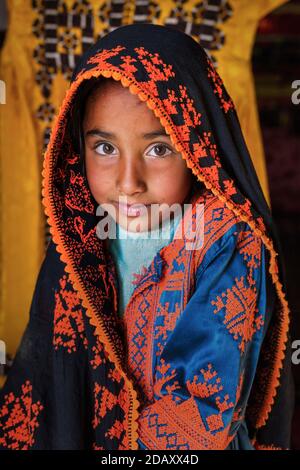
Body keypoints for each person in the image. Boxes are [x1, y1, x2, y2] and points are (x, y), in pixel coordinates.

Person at [0, 23, 294, 450]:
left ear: (199, 147)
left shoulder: (225, 241)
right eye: (104, 148)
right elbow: (47, 375)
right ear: (76, 146)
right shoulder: (80, 235)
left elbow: (205, 416)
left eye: (158, 149)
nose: (128, 182)